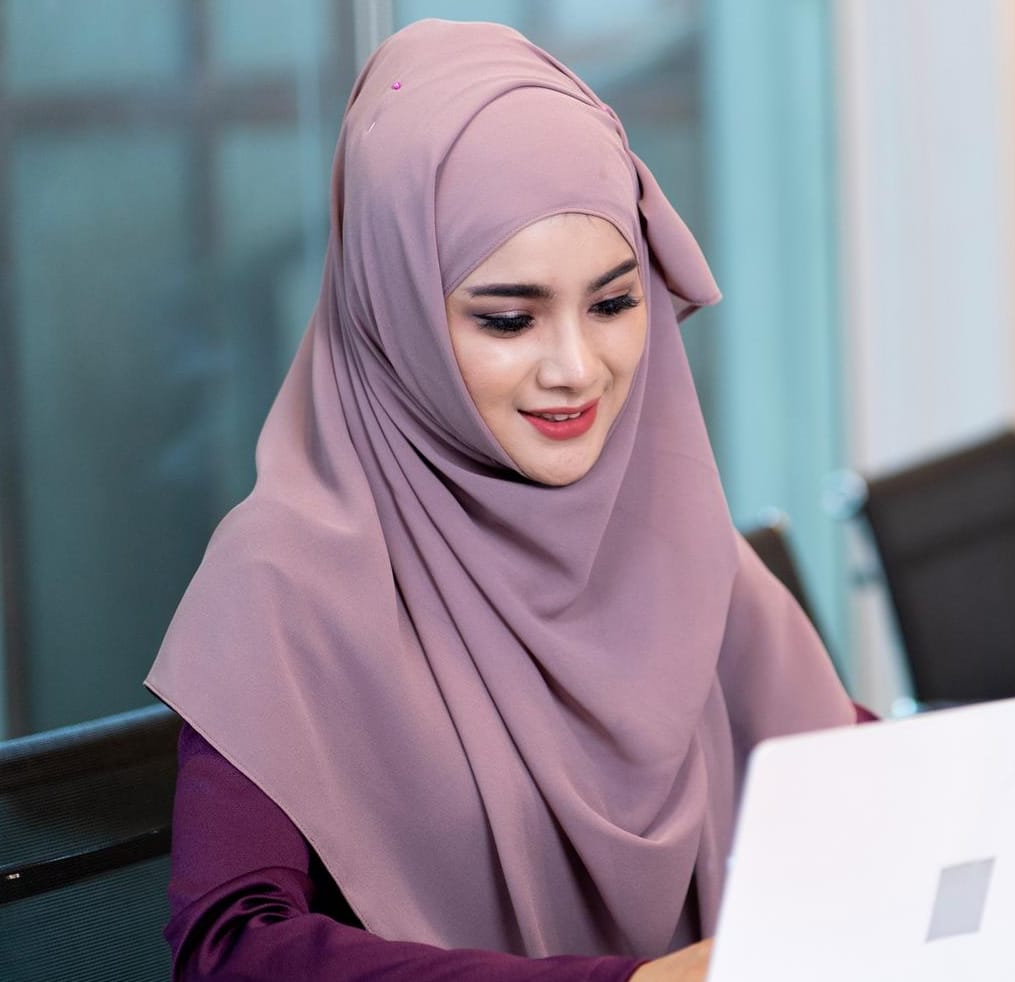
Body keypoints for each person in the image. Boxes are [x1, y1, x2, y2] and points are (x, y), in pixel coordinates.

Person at [145, 19, 860, 982]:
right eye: (509, 318)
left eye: (613, 304)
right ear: (393, 310)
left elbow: (854, 771)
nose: (576, 370)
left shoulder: (662, 527)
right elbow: (232, 951)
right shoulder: (279, 576)